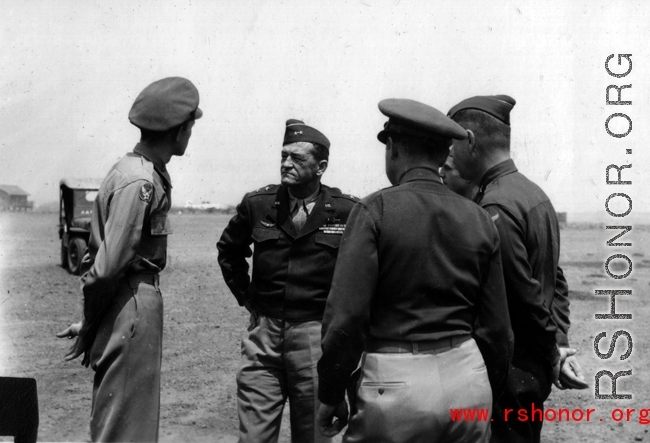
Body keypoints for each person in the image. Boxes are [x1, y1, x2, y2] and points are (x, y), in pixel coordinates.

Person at [316, 99, 513, 443]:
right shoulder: (479, 217)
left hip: (395, 383)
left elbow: (345, 320)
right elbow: (498, 329)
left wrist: (331, 392)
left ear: (393, 148)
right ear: (443, 154)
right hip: (468, 376)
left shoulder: (374, 210)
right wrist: (483, 386)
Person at [57, 77, 202, 442]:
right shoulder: (140, 181)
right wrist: (91, 324)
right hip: (132, 305)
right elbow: (106, 269)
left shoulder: (131, 169)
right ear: (180, 129)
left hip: (124, 306)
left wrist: (95, 320)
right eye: (191, 126)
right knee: (126, 430)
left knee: (121, 424)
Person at [448, 94, 587, 443]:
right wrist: (558, 343)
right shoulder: (532, 193)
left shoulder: (495, 203)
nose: (446, 156)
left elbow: (523, 294)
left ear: (470, 140)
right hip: (529, 367)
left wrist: (554, 353)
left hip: (508, 370)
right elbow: (556, 282)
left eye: (451, 146)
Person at [217, 119, 358, 443]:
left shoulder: (345, 211)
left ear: (321, 167)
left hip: (314, 339)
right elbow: (229, 250)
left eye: (297, 158)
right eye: (283, 156)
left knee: (312, 435)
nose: (286, 164)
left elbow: (357, 275)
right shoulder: (259, 204)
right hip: (263, 339)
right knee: (253, 437)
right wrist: (247, 297)